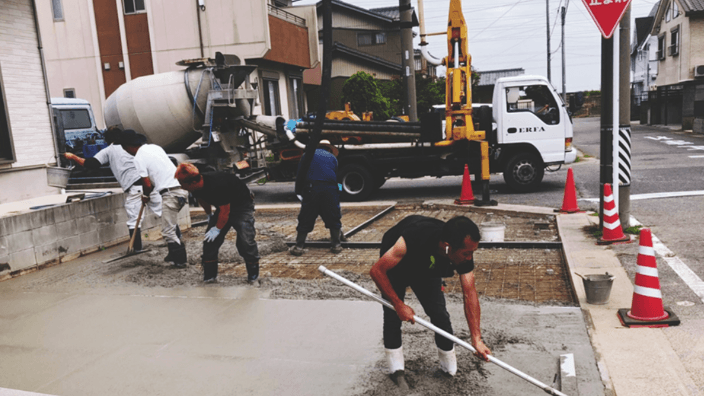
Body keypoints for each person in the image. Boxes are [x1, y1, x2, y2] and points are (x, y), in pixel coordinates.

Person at [369, 215, 491, 381]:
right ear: (448, 247)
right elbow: (376, 271)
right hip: (397, 266)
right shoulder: (414, 236)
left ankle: (449, 369)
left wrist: (476, 339)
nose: (469, 258)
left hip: (427, 266)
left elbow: (469, 292)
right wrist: (398, 305)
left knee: (439, 314)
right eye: (466, 253)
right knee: (392, 317)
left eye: (472, 253)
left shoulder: (462, 251)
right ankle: (396, 371)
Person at [62, 126, 161, 251]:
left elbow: (91, 164)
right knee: (163, 212)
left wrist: (73, 157)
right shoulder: (135, 147)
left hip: (135, 187)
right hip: (150, 183)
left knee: (133, 220)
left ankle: (136, 249)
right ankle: (176, 244)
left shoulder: (109, 150)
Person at [174, 163, 260, 284]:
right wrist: (209, 215)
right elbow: (202, 199)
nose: (181, 187)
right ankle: (209, 277)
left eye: (182, 184)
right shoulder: (196, 186)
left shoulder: (217, 185)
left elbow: (225, 212)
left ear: (192, 182)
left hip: (242, 207)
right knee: (210, 242)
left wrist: (217, 228)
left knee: (246, 241)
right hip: (223, 207)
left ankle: (253, 276)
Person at [120, 130, 189, 267]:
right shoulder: (155, 147)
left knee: (168, 230)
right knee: (169, 224)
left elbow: (147, 184)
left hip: (170, 193)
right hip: (181, 189)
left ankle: (180, 261)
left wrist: (145, 196)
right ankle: (172, 254)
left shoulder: (138, 158)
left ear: (128, 147)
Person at [290, 143, 344, 256]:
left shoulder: (307, 155)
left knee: (306, 217)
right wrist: (339, 192)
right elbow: (338, 177)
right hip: (330, 189)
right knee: (333, 216)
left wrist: (299, 191)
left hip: (312, 189)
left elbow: (300, 174)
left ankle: (299, 246)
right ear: (329, 149)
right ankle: (336, 245)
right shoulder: (333, 158)